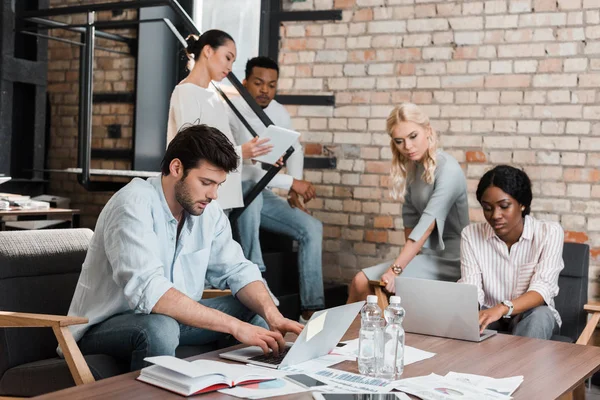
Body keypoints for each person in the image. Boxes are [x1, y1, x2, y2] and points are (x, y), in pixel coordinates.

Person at [65, 125, 303, 371]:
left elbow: (238, 270)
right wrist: (235, 326)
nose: (213, 195)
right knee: (160, 327)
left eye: (218, 185)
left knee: (253, 306)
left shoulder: (208, 213)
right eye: (206, 182)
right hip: (105, 328)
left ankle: (247, 388)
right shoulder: (132, 204)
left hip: (170, 319)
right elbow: (151, 292)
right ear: (176, 168)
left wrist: (272, 314)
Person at [227, 56, 324, 323]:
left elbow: (295, 149)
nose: (264, 90)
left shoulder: (279, 111)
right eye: (258, 83)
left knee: (312, 228)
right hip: (235, 194)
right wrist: (292, 183)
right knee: (252, 190)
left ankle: (311, 310)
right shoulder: (230, 111)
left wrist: (294, 183)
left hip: (261, 193)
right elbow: (242, 171)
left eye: (271, 85)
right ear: (245, 82)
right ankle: (255, 275)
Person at [347, 103, 469, 302]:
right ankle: (346, 333)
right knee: (359, 283)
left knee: (364, 281)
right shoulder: (413, 168)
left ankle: (353, 332)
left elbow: (426, 226)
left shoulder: (448, 170)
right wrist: (407, 264)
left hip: (452, 259)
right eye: (399, 141)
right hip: (426, 257)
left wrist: (396, 270)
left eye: (413, 137)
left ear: (428, 131)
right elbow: (410, 223)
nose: (408, 147)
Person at [166, 29, 272, 210]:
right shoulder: (185, 92)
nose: (230, 67)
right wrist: (242, 152)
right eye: (228, 57)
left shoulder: (213, 96)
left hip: (221, 193)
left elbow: (225, 145)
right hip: (202, 195)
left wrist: (253, 151)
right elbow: (193, 149)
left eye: (233, 61)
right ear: (208, 51)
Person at [459, 165, 563, 340]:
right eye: (487, 208)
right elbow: (471, 288)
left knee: (540, 316)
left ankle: (522, 367)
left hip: (531, 315)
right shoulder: (470, 235)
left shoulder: (549, 232)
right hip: (489, 313)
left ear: (522, 204)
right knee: (466, 320)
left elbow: (542, 289)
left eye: (504, 206)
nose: (495, 215)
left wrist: (502, 308)